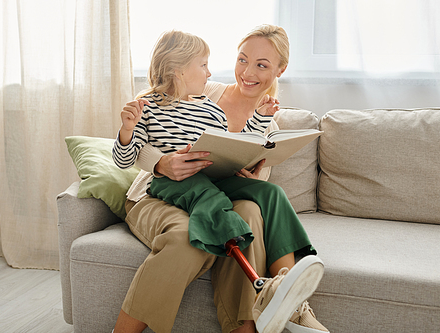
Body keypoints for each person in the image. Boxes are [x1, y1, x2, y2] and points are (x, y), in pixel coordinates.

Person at [114, 26, 329, 333]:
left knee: (263, 199)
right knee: (200, 230)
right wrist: (162, 162)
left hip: (215, 186)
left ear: (280, 70)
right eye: (242, 60)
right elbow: (133, 151)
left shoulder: (237, 114)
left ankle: (284, 291)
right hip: (164, 189)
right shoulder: (188, 95)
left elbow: (241, 149)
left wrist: (251, 160)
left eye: (262, 65)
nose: (248, 71)